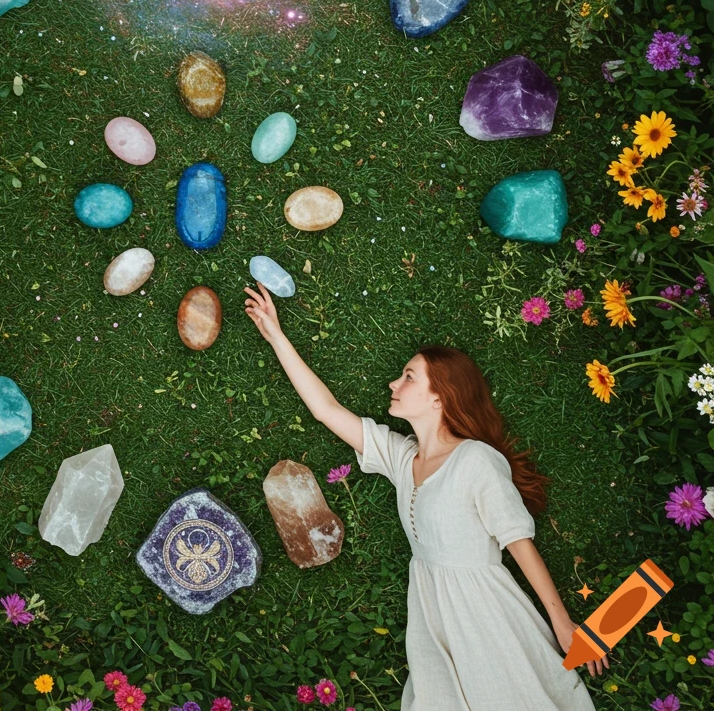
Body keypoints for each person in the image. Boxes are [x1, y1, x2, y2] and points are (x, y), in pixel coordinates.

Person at [244, 281, 606, 711]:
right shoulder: (403, 459)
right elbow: (326, 410)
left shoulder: (476, 460)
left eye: (409, 376)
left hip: (484, 610)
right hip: (430, 611)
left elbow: (518, 543)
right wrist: (277, 336)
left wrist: (561, 622)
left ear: (440, 396)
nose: (394, 383)